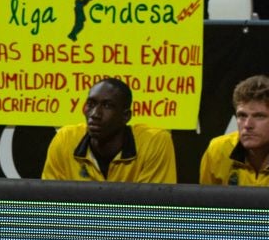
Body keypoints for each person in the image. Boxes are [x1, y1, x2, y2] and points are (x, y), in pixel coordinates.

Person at [42, 78, 177, 183]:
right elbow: (50, 204)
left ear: (126, 116)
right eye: (91, 104)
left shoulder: (154, 142)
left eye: (107, 106)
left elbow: (153, 209)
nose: (95, 114)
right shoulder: (65, 139)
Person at [199, 75, 269, 187]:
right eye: (242, 115)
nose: (247, 125)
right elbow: (207, 203)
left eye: (259, 116)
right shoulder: (219, 150)